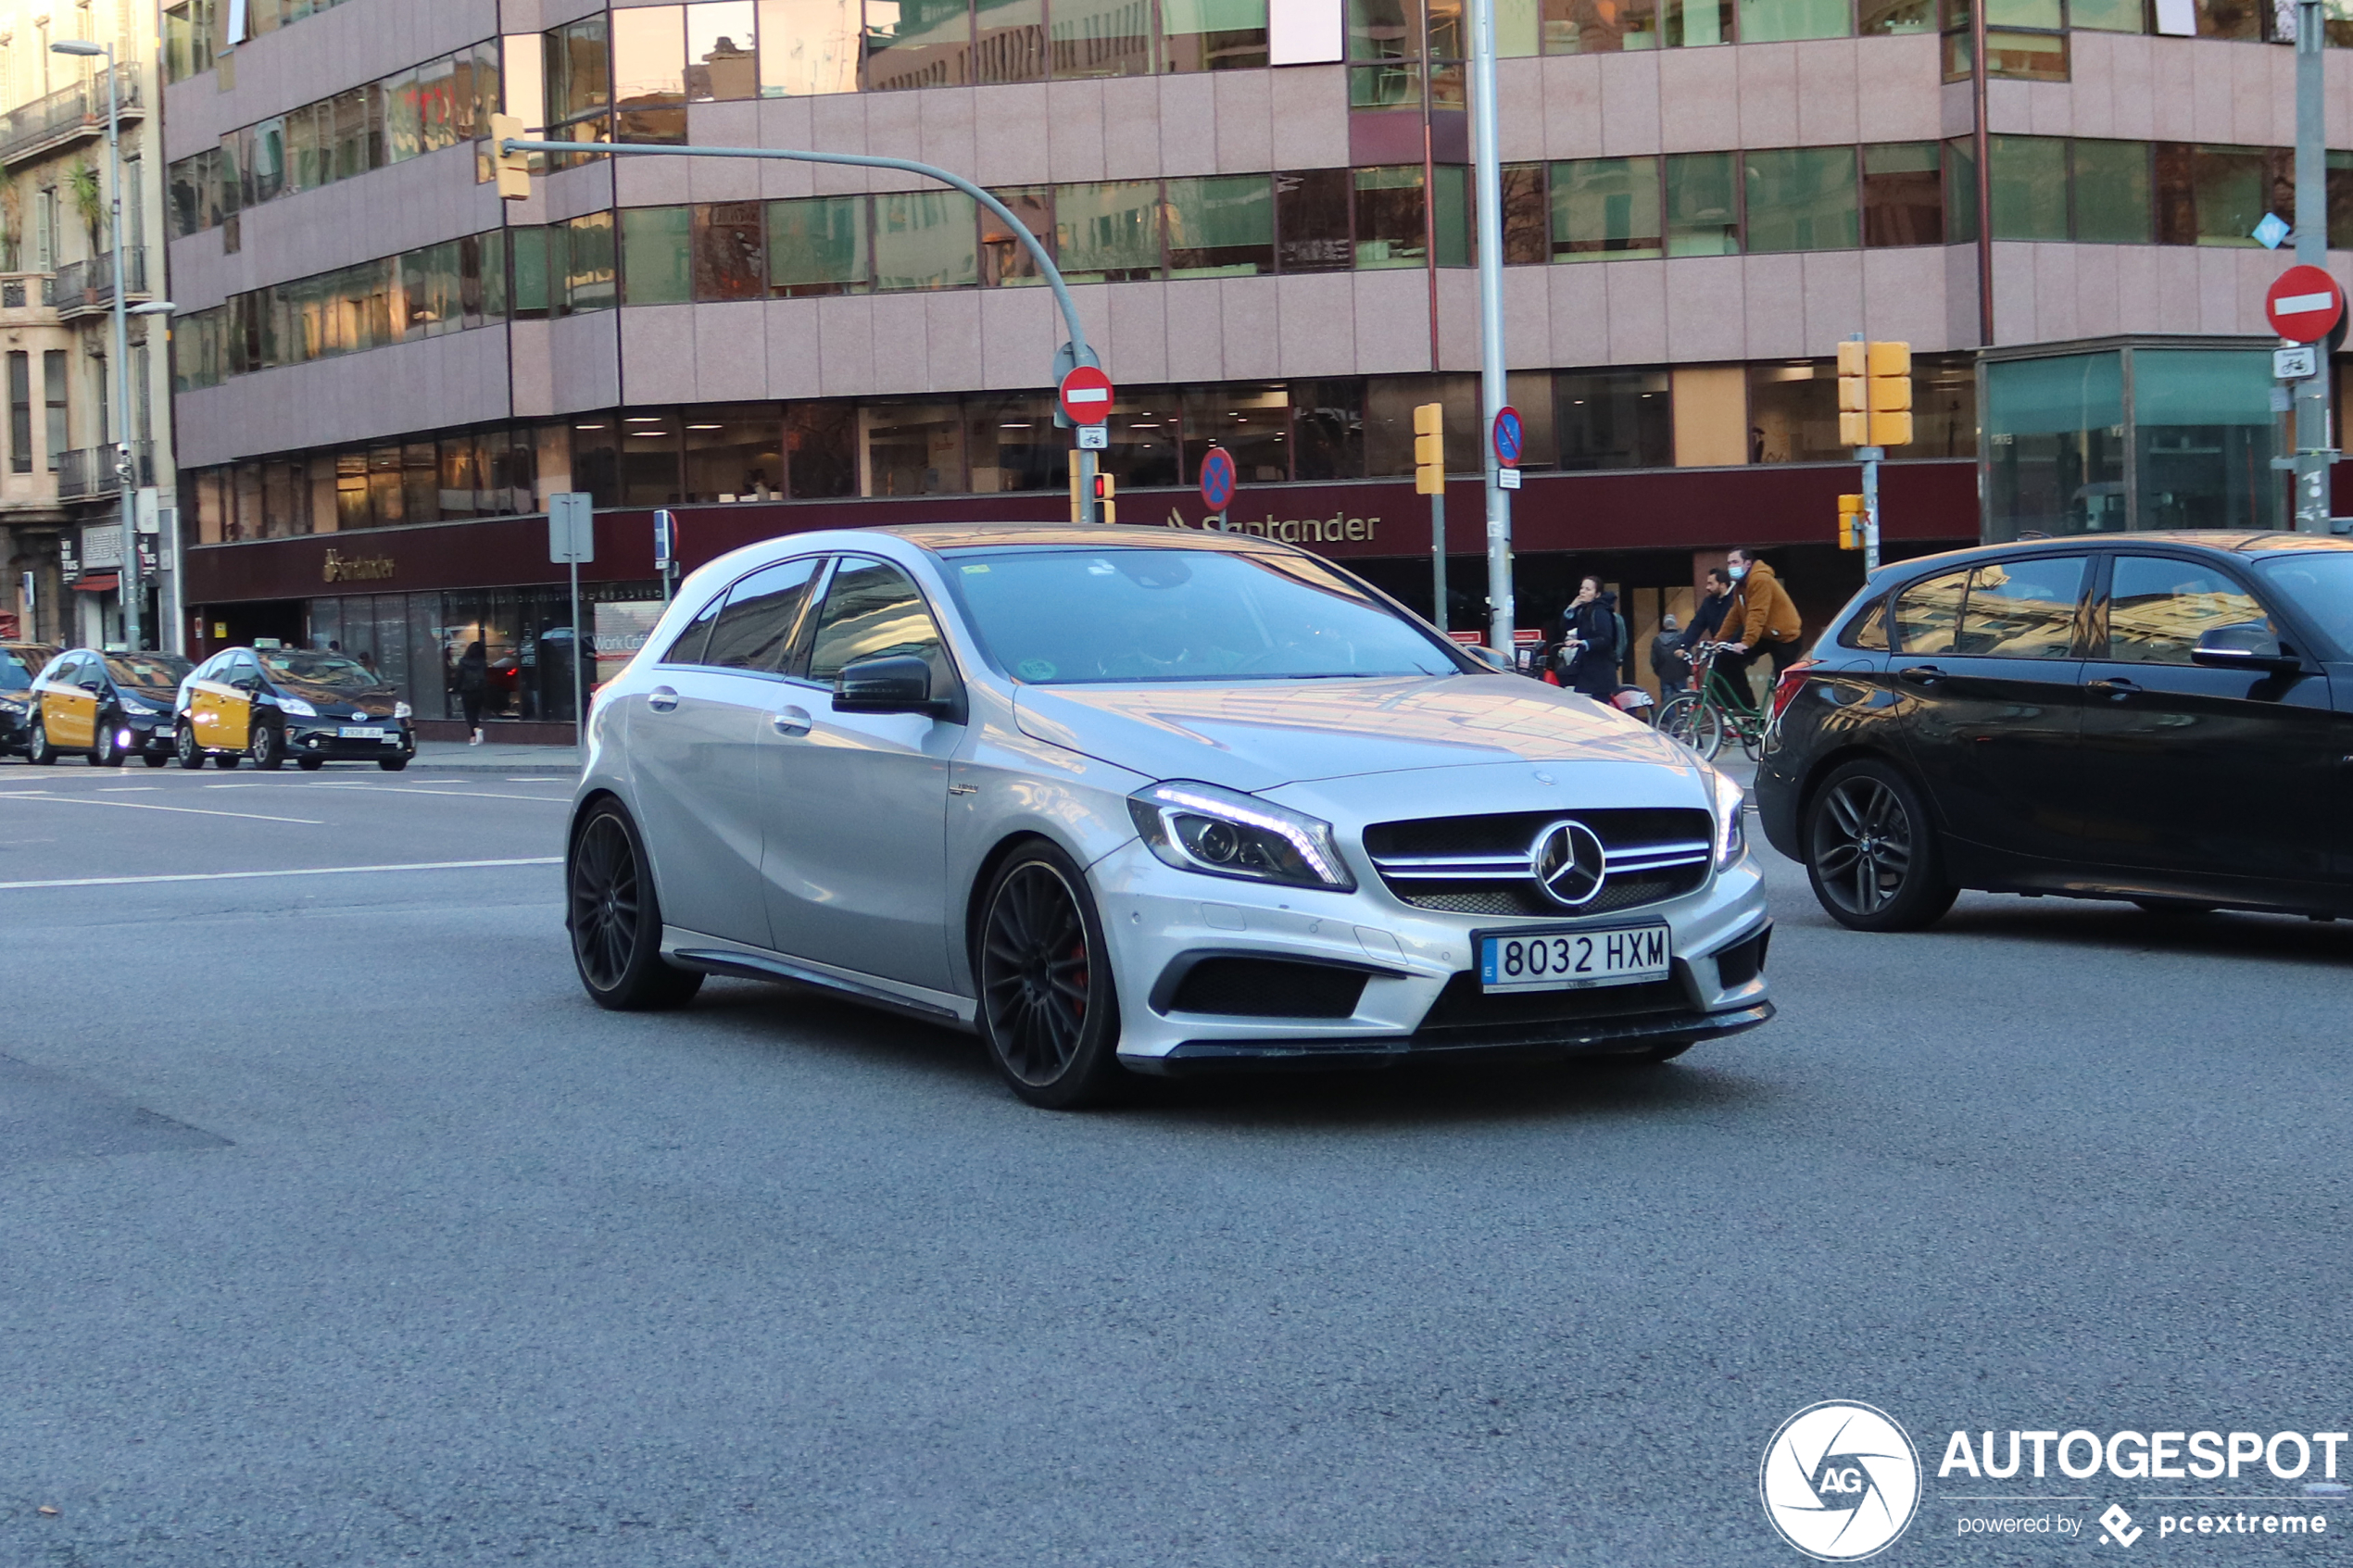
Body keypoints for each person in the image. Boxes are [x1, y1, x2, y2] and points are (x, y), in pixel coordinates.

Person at [1717, 546, 1805, 701]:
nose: (1731, 567)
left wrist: (1746, 642)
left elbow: (1757, 613)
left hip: (1784, 637)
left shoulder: (1760, 580)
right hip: (1765, 634)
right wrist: (1718, 641)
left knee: (1783, 683)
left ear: (1748, 564)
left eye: (1735, 562)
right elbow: (1734, 615)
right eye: (1729, 563)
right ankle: (1747, 706)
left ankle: (1787, 718)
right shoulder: (1740, 586)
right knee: (1725, 658)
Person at [1553, 575, 1622, 701]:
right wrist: (1572, 607)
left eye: (1588, 589)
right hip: (1587, 667)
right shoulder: (1583, 610)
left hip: (1600, 669)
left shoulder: (1600, 611)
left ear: (1597, 594)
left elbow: (1605, 639)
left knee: (1599, 707)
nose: (1583, 592)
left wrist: (1583, 643)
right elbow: (1565, 626)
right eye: (1582, 588)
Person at [457, 639, 489, 746]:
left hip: (467, 690)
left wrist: (455, 688)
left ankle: (475, 730)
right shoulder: (482, 663)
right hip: (480, 690)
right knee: (475, 712)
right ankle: (473, 736)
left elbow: (459, 677)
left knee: (469, 713)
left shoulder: (463, 662)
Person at [1649, 612, 1689, 691]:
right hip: (1680, 674)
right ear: (1675, 624)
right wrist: (1688, 672)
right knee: (1683, 699)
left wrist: (1659, 672)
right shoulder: (1682, 638)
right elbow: (1688, 657)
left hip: (1664, 675)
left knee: (1668, 701)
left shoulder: (1657, 640)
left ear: (1664, 625)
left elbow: (1654, 660)